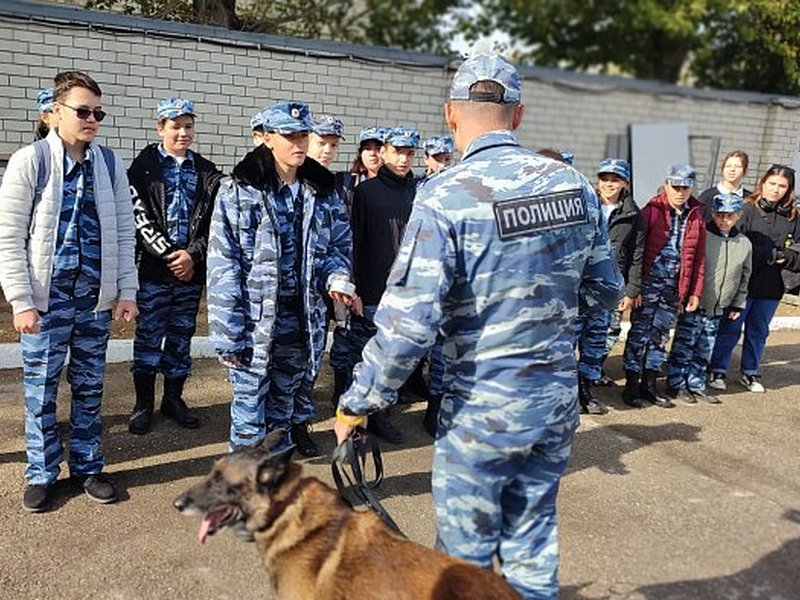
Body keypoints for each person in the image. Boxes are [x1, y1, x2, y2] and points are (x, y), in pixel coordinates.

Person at [334, 54, 622, 598]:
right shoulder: (573, 186)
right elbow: (606, 288)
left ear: (449, 114)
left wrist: (358, 404)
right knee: (531, 542)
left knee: (463, 566)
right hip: (552, 403)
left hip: (481, 412)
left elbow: (407, 324)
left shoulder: (445, 194)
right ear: (518, 115)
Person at [0, 70, 138, 512]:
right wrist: (21, 302)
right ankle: (42, 472)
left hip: (94, 299)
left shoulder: (110, 164)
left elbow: (123, 234)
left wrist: (126, 290)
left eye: (98, 112)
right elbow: (9, 236)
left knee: (90, 385)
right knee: (41, 388)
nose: (92, 119)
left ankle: (87, 466)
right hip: (46, 298)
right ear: (55, 112)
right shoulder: (31, 161)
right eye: (83, 111)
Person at [207, 101, 354, 457]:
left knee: (284, 409)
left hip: (301, 320)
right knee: (247, 415)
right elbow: (222, 265)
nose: (299, 143)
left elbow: (337, 246)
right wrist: (228, 335)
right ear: (267, 139)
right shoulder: (239, 189)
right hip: (253, 324)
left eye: (303, 135)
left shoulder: (322, 191)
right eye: (289, 136)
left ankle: (275, 482)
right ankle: (241, 490)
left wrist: (336, 277)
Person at [127, 98, 223, 435]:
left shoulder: (207, 172)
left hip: (190, 274)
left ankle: (173, 399)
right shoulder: (143, 167)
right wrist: (170, 255)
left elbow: (214, 224)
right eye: (175, 126)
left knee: (181, 337)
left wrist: (192, 256)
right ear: (160, 128)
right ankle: (143, 405)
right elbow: (138, 218)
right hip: (155, 271)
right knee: (149, 338)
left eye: (188, 126)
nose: (183, 133)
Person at [346, 126, 421, 444]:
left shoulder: (420, 192)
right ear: (384, 153)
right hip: (374, 290)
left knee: (395, 359)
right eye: (397, 151)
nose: (403, 159)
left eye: (408, 153)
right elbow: (353, 243)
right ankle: (363, 417)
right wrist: (356, 289)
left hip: (409, 292)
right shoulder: (366, 192)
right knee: (367, 358)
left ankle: (383, 413)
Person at [709, 164, 800, 392]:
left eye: (782, 186)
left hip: (772, 286)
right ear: (763, 183)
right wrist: (769, 254)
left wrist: (786, 256)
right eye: (772, 184)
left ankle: (749, 372)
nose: (776, 190)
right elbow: (735, 242)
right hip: (743, 285)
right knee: (730, 329)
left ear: (789, 190)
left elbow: (797, 249)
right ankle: (717, 370)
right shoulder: (747, 209)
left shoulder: (793, 217)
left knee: (758, 332)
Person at [621, 164, 706, 409]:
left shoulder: (696, 215)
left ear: (691, 188)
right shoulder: (652, 210)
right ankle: (631, 385)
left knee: (659, 336)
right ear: (666, 185)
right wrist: (634, 288)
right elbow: (637, 251)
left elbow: (699, 257)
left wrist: (694, 291)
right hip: (649, 285)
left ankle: (649, 384)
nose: (680, 192)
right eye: (675, 186)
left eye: (685, 187)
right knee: (639, 334)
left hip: (674, 288)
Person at [666, 192, 751, 403]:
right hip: (695, 304)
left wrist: (738, 304)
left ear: (738, 215)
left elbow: (745, 276)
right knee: (684, 346)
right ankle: (676, 383)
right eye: (720, 215)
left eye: (730, 216)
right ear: (713, 213)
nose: (724, 220)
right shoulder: (703, 236)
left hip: (718, 307)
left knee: (704, 348)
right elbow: (690, 267)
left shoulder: (744, 243)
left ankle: (696, 383)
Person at [576, 158, 643, 414]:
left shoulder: (633, 214)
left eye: (615, 180)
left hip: (607, 289)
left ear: (625, 184)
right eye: (605, 179)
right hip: (579, 287)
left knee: (595, 342)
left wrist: (631, 290)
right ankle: (565, 393)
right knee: (569, 339)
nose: (608, 184)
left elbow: (637, 253)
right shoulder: (583, 204)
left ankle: (585, 391)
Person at [697, 151, 751, 215]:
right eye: (728, 166)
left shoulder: (750, 199)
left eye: (737, 166)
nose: (732, 169)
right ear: (723, 169)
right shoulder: (707, 197)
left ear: (745, 171)